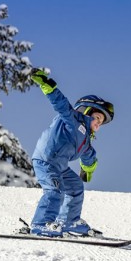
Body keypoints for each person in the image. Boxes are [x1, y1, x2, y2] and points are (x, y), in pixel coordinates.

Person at [26, 69, 115, 237]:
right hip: (46, 160)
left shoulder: (86, 140)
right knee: (54, 191)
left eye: (101, 122)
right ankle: (40, 224)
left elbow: (89, 156)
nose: (98, 123)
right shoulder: (72, 119)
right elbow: (60, 103)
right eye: (97, 117)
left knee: (75, 187)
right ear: (86, 111)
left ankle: (69, 221)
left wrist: (87, 170)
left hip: (59, 166)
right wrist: (47, 86)